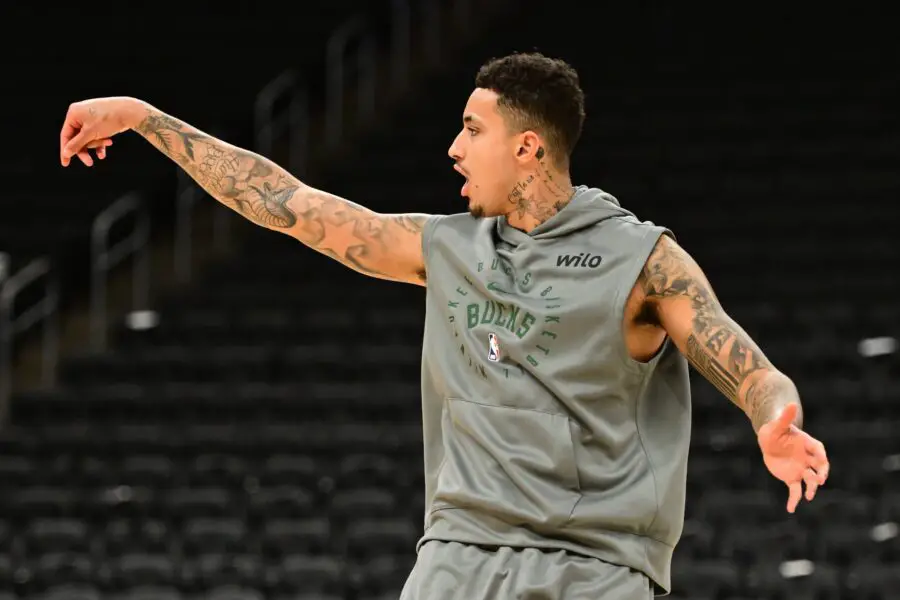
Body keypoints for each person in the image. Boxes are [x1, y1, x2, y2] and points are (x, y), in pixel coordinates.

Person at [60, 52, 830, 599]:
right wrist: (143, 119)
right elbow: (286, 203)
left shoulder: (642, 261)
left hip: (596, 568)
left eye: (472, 129)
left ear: (527, 148)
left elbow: (746, 364)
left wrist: (774, 419)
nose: (454, 149)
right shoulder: (447, 247)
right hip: (456, 560)